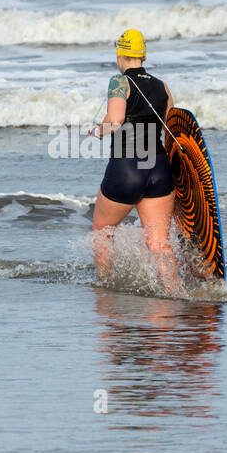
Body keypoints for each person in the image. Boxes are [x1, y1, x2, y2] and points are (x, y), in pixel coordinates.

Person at [90, 29, 179, 291]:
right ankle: (176, 294)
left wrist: (97, 131)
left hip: (128, 166)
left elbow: (116, 121)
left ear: (120, 54)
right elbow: (172, 127)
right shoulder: (162, 86)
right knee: (159, 242)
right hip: (159, 167)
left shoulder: (119, 82)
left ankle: (107, 290)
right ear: (143, 55)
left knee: (103, 232)